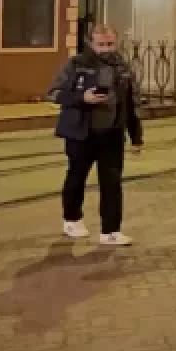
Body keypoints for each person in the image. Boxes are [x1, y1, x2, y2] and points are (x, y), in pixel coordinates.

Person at [48, 25, 142, 246]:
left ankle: (111, 231)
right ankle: (72, 218)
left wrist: (136, 135)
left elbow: (131, 103)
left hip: (112, 133)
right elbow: (53, 93)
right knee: (77, 176)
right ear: (91, 43)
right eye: (101, 44)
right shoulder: (76, 64)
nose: (106, 49)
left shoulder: (123, 67)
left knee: (112, 181)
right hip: (82, 133)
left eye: (110, 44)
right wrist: (82, 98)